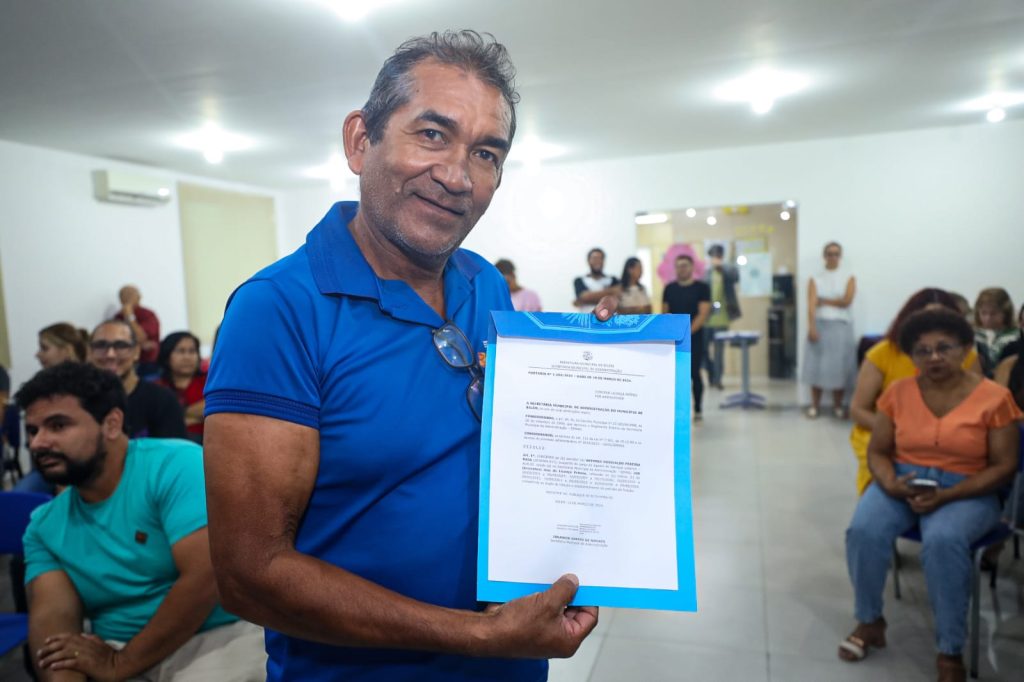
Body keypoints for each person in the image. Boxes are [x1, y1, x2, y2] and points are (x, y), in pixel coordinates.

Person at [203, 31, 611, 681]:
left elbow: (521, 453)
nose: (455, 176)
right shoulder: (277, 309)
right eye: (432, 135)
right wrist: (477, 636)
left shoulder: (486, 283)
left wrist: (601, 371)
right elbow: (251, 576)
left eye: (485, 152)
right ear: (361, 141)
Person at [16, 362, 266, 681]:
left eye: (58, 426)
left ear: (111, 423)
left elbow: (207, 577)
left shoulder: (174, 466)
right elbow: (55, 635)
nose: (38, 443)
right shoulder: (44, 525)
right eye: (33, 430)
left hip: (217, 640)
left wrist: (121, 664)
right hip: (114, 649)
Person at [840, 309, 1021, 682]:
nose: (933, 357)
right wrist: (889, 483)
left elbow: (1003, 466)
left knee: (943, 540)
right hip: (903, 481)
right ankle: (870, 620)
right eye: (922, 351)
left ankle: (949, 649)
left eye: (944, 347)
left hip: (971, 488)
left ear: (966, 348)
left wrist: (949, 494)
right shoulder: (898, 392)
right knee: (864, 530)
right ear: (911, 356)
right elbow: (878, 451)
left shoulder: (994, 397)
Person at [848, 289, 981, 495]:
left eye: (942, 319)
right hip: (886, 435)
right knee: (869, 523)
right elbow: (858, 409)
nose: (934, 325)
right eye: (926, 318)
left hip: (950, 439)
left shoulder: (967, 356)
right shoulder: (882, 353)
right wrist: (897, 430)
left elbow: (978, 408)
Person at [90, 320, 186, 439]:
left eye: (120, 346)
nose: (110, 354)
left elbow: (175, 454)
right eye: (101, 345)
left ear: (136, 352)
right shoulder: (80, 401)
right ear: (90, 352)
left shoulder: (162, 400)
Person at [804, 241, 856, 418]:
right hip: (820, 324)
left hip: (840, 327)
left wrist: (824, 301)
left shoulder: (849, 277)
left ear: (840, 256)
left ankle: (838, 406)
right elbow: (811, 304)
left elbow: (847, 301)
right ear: (824, 256)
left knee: (839, 368)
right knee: (816, 366)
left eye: (836, 254)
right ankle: (814, 406)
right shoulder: (815, 278)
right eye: (829, 253)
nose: (832, 257)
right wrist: (811, 327)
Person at [662, 254, 710, 421]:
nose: (682, 269)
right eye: (678, 266)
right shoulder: (669, 288)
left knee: (694, 373)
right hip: (673, 340)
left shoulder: (702, 287)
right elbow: (666, 312)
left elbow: (703, 314)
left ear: (692, 268)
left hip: (695, 338)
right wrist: (674, 335)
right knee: (677, 376)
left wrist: (686, 334)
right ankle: (679, 411)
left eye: (685, 265)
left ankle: (698, 409)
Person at [156, 331, 207, 443]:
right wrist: (193, 415)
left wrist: (178, 415)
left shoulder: (209, 382)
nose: (187, 357)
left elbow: (214, 407)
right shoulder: (157, 387)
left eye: (192, 351)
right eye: (180, 351)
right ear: (167, 355)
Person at [702, 244, 741, 389]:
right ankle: (711, 372)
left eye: (718, 256)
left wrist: (722, 268)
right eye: (713, 256)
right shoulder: (706, 273)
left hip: (722, 317)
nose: (716, 259)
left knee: (719, 352)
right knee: (703, 352)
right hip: (706, 318)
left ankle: (718, 380)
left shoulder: (728, 271)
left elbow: (736, 277)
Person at [114, 285, 161, 376]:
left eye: (131, 295)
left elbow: (140, 337)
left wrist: (129, 315)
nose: (127, 298)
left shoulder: (148, 314)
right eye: (124, 295)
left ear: (139, 297)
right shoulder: (118, 317)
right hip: (125, 362)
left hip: (147, 364)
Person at [973, 287, 1017, 377]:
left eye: (994, 313)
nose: (988, 318)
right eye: (983, 313)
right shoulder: (972, 336)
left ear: (1006, 313)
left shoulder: (1016, 336)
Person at [573, 247, 618, 312]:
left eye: (600, 258)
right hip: (586, 320)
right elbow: (583, 297)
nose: (597, 261)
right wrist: (611, 292)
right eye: (594, 258)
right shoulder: (579, 280)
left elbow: (617, 299)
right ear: (588, 261)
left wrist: (588, 298)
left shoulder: (613, 280)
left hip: (608, 320)